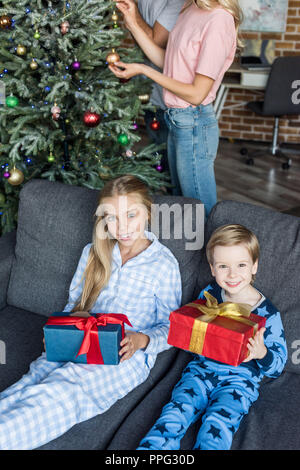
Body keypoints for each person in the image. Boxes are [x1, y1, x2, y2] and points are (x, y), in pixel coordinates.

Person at [0, 175, 182, 450]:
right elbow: (73, 304)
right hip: (80, 339)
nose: (122, 227)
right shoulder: (93, 252)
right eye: (111, 218)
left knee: (60, 391)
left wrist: (141, 340)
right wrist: (65, 326)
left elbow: (172, 328)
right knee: (32, 380)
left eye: (131, 215)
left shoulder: (163, 264)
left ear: (148, 211)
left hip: (124, 355)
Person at [137, 224, 287, 450]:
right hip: (199, 373)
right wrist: (190, 333)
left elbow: (278, 365)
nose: (232, 274)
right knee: (173, 414)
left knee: (217, 426)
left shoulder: (267, 314)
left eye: (241, 265)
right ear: (213, 268)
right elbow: (193, 341)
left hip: (239, 382)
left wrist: (261, 353)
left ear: (254, 266)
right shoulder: (209, 296)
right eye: (223, 266)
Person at [110, 0, 243, 217]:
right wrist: (132, 20)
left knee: (200, 212)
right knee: (182, 202)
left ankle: (208, 251)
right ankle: (187, 251)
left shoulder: (219, 19)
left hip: (194, 123)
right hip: (177, 120)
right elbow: (170, 63)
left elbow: (197, 93)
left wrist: (144, 69)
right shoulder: (188, 8)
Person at [135, 0, 185, 173]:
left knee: (175, 166)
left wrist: (132, 13)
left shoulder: (178, 2)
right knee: (158, 156)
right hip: (150, 90)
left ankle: (171, 198)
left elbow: (157, 40)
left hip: (173, 100)